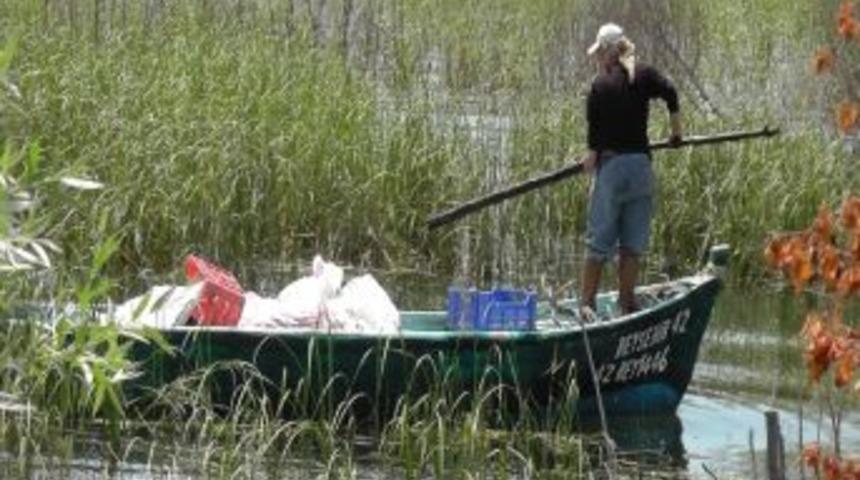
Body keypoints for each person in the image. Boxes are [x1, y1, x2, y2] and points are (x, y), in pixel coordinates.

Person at [579, 23, 682, 317]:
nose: (598, 58)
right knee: (631, 247)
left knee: (598, 244)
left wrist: (589, 159)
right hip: (641, 170)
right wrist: (676, 134)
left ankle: (586, 306)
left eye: (600, 52)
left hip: (612, 170)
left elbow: (593, 148)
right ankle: (627, 305)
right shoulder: (646, 75)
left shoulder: (598, 87)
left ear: (609, 52)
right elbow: (671, 91)